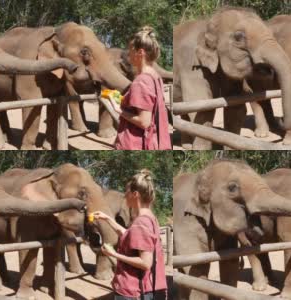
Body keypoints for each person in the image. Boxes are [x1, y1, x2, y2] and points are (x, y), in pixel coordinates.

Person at [92, 169, 167, 300]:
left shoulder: (140, 223)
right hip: (148, 286)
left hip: (133, 291)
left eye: (126, 192)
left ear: (135, 194)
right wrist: (107, 218)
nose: (125, 196)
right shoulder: (150, 218)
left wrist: (114, 255)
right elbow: (130, 235)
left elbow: (145, 263)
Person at [108, 26, 172, 150]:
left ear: (140, 52)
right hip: (155, 140)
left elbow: (144, 122)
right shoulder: (155, 76)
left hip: (136, 142)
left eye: (130, 50)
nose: (128, 54)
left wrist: (118, 109)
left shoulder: (141, 81)